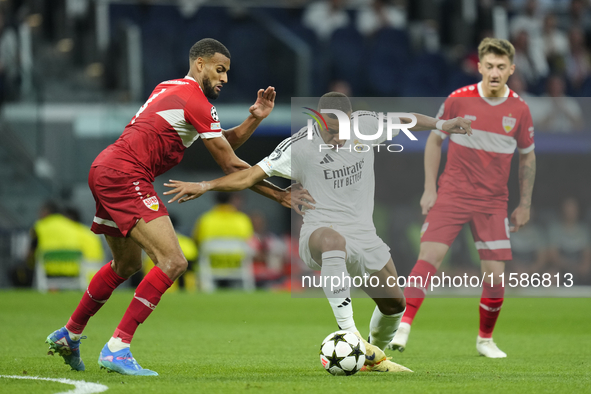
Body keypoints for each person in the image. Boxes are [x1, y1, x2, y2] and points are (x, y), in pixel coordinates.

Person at [163, 92, 471, 373]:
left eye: (340, 130)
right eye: (328, 129)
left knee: (394, 305)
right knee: (332, 241)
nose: (334, 136)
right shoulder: (299, 146)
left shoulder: (368, 125)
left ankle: (373, 354)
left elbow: (407, 120)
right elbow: (248, 176)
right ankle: (349, 334)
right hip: (318, 232)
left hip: (364, 234)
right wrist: (205, 185)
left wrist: (442, 124)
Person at [46, 38, 291, 376]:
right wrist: (280, 195)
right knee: (174, 261)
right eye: (220, 70)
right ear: (200, 64)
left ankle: (69, 333)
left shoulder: (170, 88)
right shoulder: (197, 101)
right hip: (126, 173)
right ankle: (118, 347)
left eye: (227, 73)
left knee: (126, 263)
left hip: (105, 168)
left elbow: (220, 140)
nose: (225, 79)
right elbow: (232, 166)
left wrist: (254, 119)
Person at [388, 38, 536, 358]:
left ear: (511, 69)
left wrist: (524, 204)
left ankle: (485, 340)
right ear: (479, 66)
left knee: (495, 276)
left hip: (493, 201)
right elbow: (434, 140)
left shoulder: (520, 109)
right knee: (429, 256)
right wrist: (430, 188)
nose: (494, 72)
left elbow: (527, 157)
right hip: (454, 192)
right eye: (489, 66)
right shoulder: (458, 99)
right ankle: (403, 325)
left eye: (501, 67)